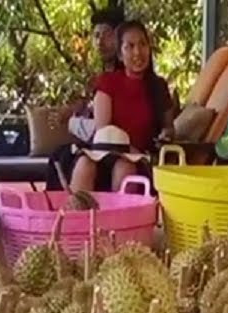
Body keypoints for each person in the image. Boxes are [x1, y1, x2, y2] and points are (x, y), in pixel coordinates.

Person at [69, 19, 175, 193]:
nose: (138, 52)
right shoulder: (108, 82)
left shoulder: (158, 86)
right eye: (130, 46)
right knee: (84, 164)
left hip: (138, 156)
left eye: (142, 44)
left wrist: (167, 134)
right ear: (120, 55)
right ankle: (76, 218)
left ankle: (120, 219)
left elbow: (169, 127)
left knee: (125, 168)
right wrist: (124, 148)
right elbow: (103, 130)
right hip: (105, 150)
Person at [47, 6, 124, 190]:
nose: (100, 41)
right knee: (60, 154)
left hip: (113, 146)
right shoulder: (100, 77)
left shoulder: (123, 76)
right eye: (96, 36)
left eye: (107, 34)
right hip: (98, 142)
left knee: (66, 156)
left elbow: (102, 127)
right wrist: (75, 109)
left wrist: (72, 122)